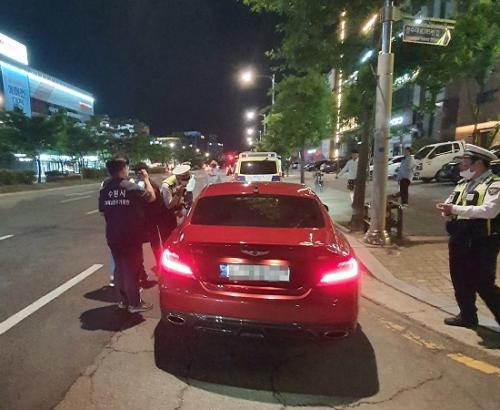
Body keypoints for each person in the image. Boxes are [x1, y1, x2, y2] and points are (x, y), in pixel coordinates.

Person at [436, 144, 500, 328]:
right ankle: (467, 316)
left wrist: (454, 209)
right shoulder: (463, 184)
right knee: (460, 279)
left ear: (478, 163)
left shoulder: (494, 184)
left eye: (465, 161)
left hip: (483, 241)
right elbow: (450, 203)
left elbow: (489, 210)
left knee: (483, 282)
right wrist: (446, 209)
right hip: (460, 238)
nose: (461, 165)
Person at [99, 156, 155, 313]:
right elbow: (151, 197)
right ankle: (135, 304)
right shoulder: (131, 187)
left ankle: (123, 301)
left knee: (119, 268)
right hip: (130, 235)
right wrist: (146, 179)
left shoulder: (105, 189)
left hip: (113, 235)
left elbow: (102, 211)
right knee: (132, 269)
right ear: (123, 169)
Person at [133, 162, 177, 271]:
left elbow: (153, 198)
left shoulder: (150, 184)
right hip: (150, 218)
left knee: (164, 241)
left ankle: (166, 264)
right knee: (155, 242)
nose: (138, 175)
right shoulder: (138, 185)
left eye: (140, 172)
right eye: (137, 173)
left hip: (161, 216)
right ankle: (160, 264)